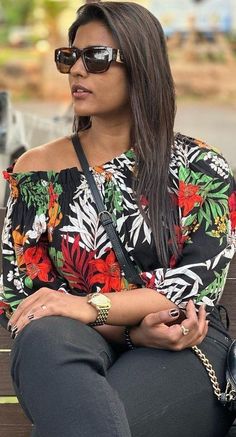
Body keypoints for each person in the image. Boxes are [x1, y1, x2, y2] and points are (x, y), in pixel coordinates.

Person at [0, 2, 235, 436]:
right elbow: (25, 297)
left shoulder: (201, 167)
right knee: (44, 335)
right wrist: (127, 333)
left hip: (181, 342)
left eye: (97, 58)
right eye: (70, 57)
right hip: (68, 342)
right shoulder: (37, 170)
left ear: (142, 67)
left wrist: (90, 306)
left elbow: (193, 284)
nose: (77, 71)